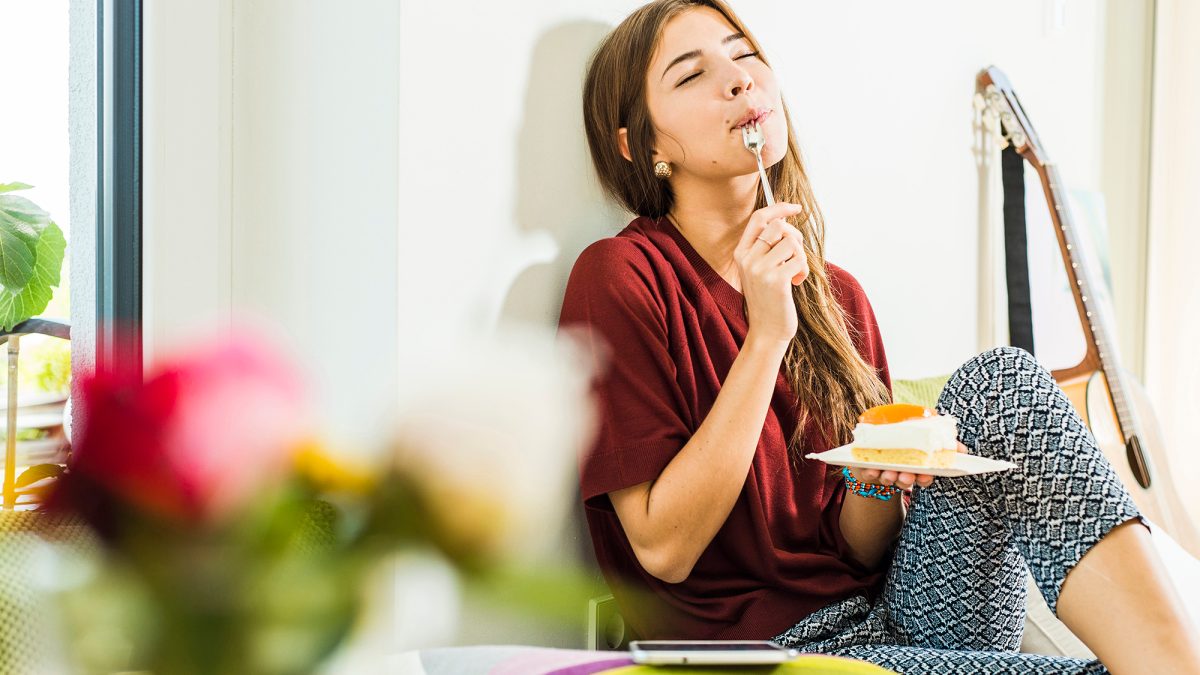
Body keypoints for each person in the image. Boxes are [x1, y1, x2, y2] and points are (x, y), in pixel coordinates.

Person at [556, 1, 1200, 672]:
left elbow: (855, 550)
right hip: (757, 655)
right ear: (642, 145)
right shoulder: (621, 276)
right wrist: (767, 335)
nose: (739, 80)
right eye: (691, 75)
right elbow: (664, 548)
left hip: (887, 622)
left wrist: (876, 480)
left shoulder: (838, 296)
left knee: (999, 380)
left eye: (744, 55)